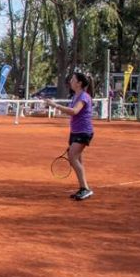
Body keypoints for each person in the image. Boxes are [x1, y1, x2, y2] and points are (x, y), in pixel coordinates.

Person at [45, 71, 94, 200]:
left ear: (79, 83)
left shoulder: (84, 96)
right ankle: (83, 188)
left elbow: (74, 111)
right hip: (75, 132)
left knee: (72, 157)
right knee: (77, 159)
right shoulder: (75, 96)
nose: (70, 82)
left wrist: (55, 105)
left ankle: (85, 188)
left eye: (73, 80)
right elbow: (72, 114)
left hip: (84, 132)